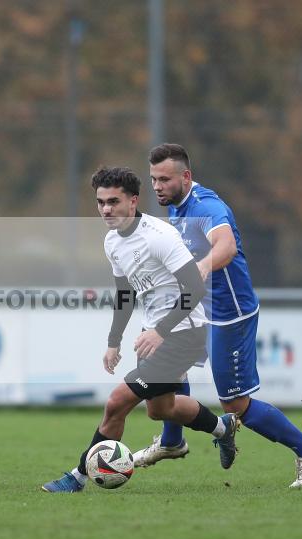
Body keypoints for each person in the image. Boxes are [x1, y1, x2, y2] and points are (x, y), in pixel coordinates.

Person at [133, 143, 302, 488]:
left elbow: (226, 245)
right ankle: (171, 441)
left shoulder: (207, 206)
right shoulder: (177, 207)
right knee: (169, 367)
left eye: (164, 179)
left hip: (229, 312)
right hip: (198, 309)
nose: (157, 186)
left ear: (186, 176)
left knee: (234, 401)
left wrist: (206, 265)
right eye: (153, 179)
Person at [41, 166, 238, 493]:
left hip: (184, 332)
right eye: (100, 202)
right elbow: (125, 293)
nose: (106, 209)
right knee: (161, 409)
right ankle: (223, 428)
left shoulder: (159, 237)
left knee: (117, 401)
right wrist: (113, 341)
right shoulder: (112, 241)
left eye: (113, 201)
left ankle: (77, 477)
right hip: (158, 334)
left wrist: (160, 331)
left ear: (133, 201)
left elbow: (195, 289)